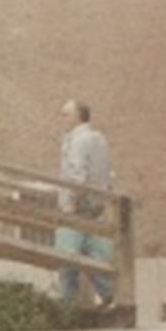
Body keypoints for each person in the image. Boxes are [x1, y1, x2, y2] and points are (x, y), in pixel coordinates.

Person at [56, 100, 119, 307]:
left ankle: (68, 305)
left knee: (66, 254)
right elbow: (108, 173)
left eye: (65, 114)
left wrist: (71, 203)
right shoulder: (99, 138)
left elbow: (77, 175)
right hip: (96, 204)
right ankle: (111, 295)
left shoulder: (78, 140)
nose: (62, 119)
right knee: (95, 252)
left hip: (77, 206)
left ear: (78, 117)